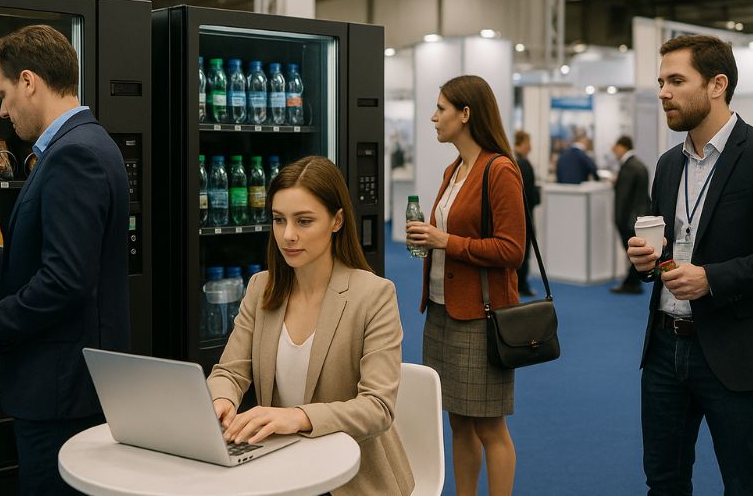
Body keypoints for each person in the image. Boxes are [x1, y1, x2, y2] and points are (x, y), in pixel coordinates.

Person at [0, 25, 130, 495]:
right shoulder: (93, 142)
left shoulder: (74, 156)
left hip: (61, 394)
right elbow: (72, 261)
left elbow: (65, 282)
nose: (2, 110)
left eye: (3, 94)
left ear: (29, 81)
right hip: (76, 386)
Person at [626, 34, 753, 495]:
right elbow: (663, 252)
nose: (663, 92)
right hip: (662, 349)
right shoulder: (666, 165)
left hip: (735, 351)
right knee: (663, 481)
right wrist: (644, 259)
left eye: (676, 80)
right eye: (660, 81)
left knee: (745, 483)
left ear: (717, 84)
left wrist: (711, 279)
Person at [207, 156, 414, 495]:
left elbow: (377, 407)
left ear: (336, 221)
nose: (288, 235)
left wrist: (299, 417)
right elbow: (229, 373)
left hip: (351, 479)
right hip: (280, 468)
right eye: (278, 220)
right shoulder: (261, 288)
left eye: (304, 221)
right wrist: (222, 402)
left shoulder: (374, 295)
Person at [406, 75, 525, 496]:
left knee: (490, 427)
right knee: (457, 420)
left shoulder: (500, 170)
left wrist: (445, 241)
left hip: (481, 317)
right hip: (441, 312)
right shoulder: (453, 169)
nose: (433, 116)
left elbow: (513, 250)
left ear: (466, 114)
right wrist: (428, 238)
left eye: (441, 108)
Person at [611, 135, 650, 294]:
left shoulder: (629, 166)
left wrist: (618, 219)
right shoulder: (638, 164)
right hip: (638, 216)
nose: (614, 151)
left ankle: (631, 283)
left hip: (629, 219)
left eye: (615, 148)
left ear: (622, 147)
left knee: (634, 254)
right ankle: (632, 282)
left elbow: (624, 196)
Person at [514, 130, 540, 296]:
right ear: (521, 144)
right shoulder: (523, 164)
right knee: (524, 251)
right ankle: (521, 284)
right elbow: (528, 193)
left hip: (521, 214)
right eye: (527, 142)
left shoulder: (516, 163)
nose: (530, 146)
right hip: (525, 215)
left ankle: (520, 283)